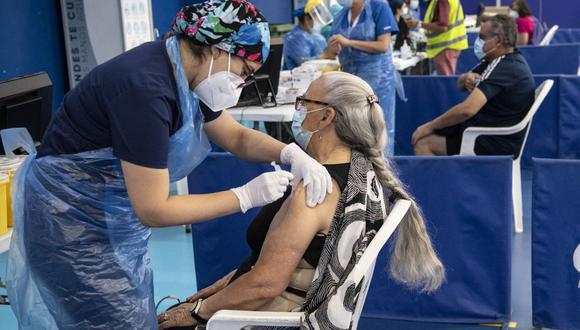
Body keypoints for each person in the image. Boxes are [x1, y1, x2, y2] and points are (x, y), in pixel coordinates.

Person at [5, 1, 334, 329]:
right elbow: (154, 209)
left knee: (130, 314)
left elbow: (237, 138)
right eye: (244, 74)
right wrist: (243, 196)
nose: (241, 86)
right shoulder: (145, 88)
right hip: (68, 222)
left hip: (107, 214)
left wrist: (290, 153)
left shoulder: (184, 77)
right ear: (219, 49)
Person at [156, 72, 445, 329]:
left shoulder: (316, 192)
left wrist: (195, 313)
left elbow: (266, 284)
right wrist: (227, 283)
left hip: (273, 315)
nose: (299, 111)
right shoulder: (363, 171)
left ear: (325, 117)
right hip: (293, 301)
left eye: (304, 103)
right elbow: (285, 260)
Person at [412, 15, 535, 157]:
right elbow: (460, 85)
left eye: (482, 37)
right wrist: (466, 78)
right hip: (487, 130)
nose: (478, 42)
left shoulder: (505, 67)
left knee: (423, 143)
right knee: (434, 132)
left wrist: (429, 126)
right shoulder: (495, 60)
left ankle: (441, 180)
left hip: (494, 140)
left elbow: (468, 110)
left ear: (498, 41)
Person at [324, 0, 399, 156]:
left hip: (378, 82)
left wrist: (349, 42)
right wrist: (331, 49)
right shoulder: (340, 16)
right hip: (350, 83)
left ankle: (381, 173)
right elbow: (331, 52)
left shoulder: (379, 8)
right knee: (353, 130)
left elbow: (383, 45)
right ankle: (357, 173)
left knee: (378, 130)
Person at [406, 0, 468, 75]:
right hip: (448, 45)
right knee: (446, 80)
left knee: (445, 82)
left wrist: (419, 24)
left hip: (445, 46)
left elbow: (443, 27)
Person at [283, 3, 328, 70]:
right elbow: (303, 62)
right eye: (315, 18)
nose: (317, 21)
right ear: (307, 19)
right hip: (297, 77)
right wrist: (325, 56)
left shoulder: (314, 35)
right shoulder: (295, 38)